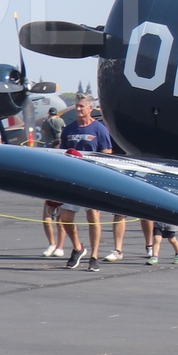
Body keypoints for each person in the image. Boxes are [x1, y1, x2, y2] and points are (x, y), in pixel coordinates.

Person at [54, 94, 114, 269]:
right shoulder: (69, 130)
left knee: (93, 216)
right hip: (72, 179)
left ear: (90, 108)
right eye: (77, 106)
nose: (79, 109)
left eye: (82, 106)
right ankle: (78, 247)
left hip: (91, 180)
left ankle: (94, 256)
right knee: (65, 218)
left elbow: (107, 152)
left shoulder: (99, 129)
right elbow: (62, 153)